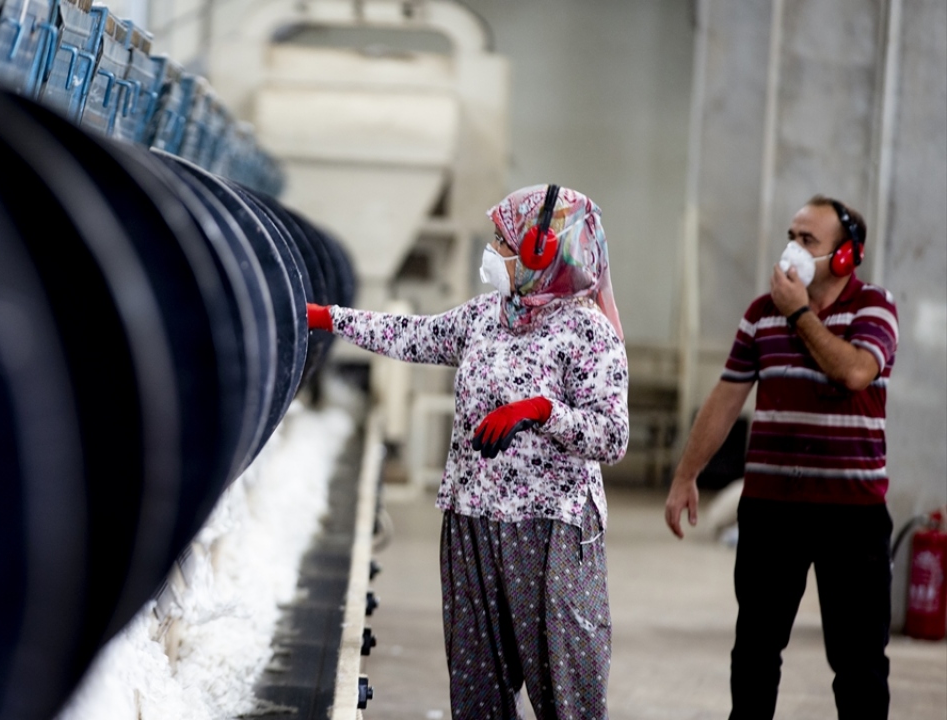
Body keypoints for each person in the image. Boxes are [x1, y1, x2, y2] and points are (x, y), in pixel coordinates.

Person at [308, 184, 628, 720]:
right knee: (477, 690)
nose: (494, 250)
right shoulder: (485, 316)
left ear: (540, 251)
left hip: (549, 532)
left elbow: (611, 437)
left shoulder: (589, 333)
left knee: (567, 690)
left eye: (503, 241)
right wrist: (329, 318)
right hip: (471, 521)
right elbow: (411, 334)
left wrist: (541, 411)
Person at [664, 195, 899, 719]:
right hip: (772, 511)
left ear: (843, 257)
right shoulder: (759, 314)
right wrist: (686, 474)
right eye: (791, 235)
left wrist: (798, 313)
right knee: (754, 651)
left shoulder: (873, 308)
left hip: (852, 514)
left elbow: (855, 372)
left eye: (807, 240)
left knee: (859, 661)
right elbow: (726, 398)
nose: (792, 249)